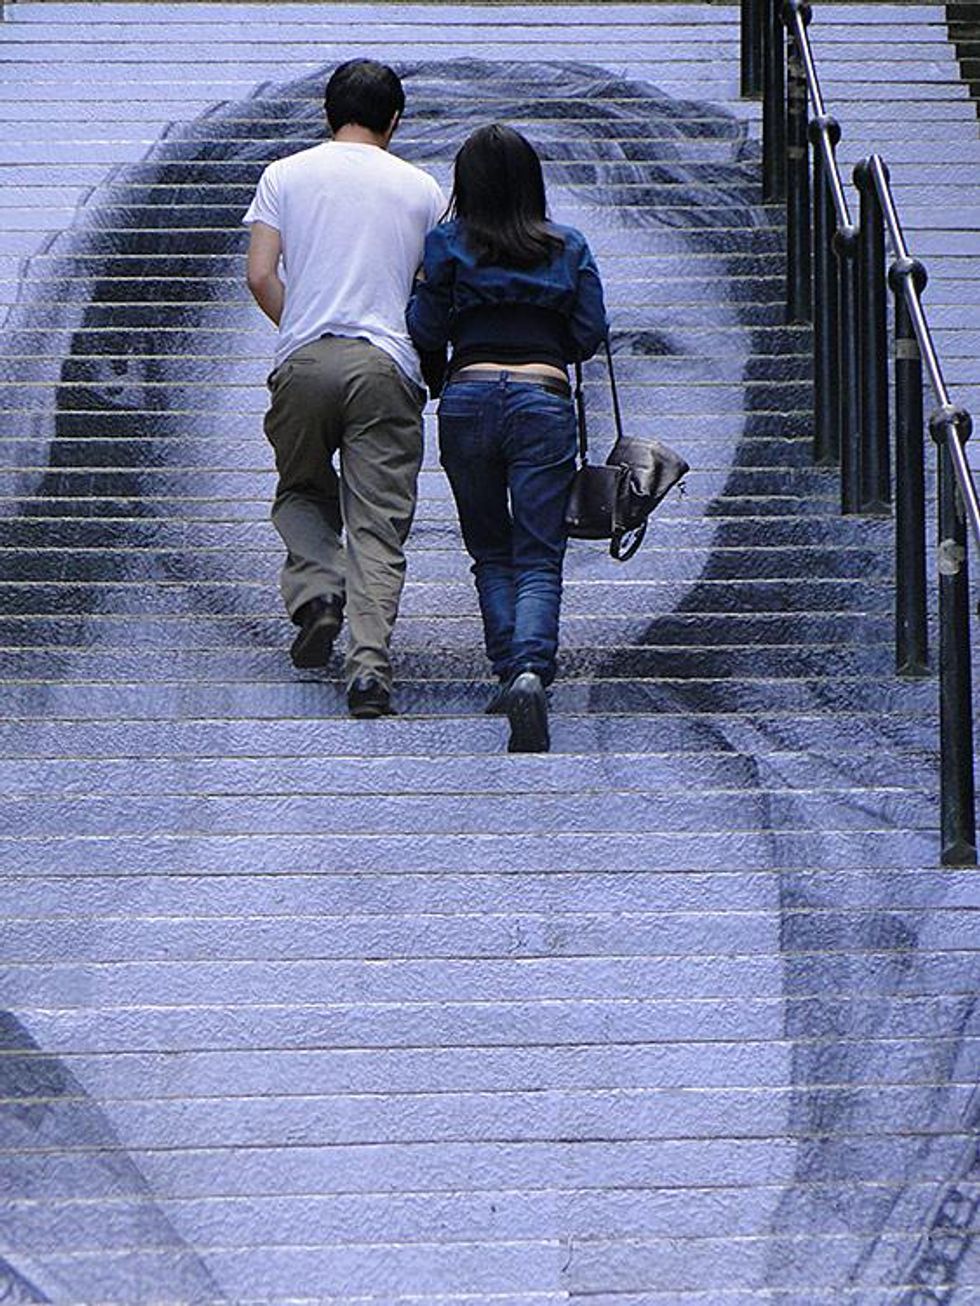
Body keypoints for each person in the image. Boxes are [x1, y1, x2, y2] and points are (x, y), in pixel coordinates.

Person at [243, 59, 445, 718]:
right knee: (377, 527)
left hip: (303, 362)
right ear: (394, 120)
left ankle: (318, 594)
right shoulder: (422, 189)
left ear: (328, 113)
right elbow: (430, 289)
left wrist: (299, 327)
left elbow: (260, 274)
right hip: (385, 366)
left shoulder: (284, 175)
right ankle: (367, 671)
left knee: (302, 489)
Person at [406, 124, 607, 753]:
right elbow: (588, 332)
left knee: (490, 548)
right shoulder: (568, 247)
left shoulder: (445, 245)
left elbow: (424, 326)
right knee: (540, 553)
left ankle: (508, 670)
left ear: (467, 184)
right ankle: (529, 672)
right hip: (542, 399)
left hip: (466, 399)